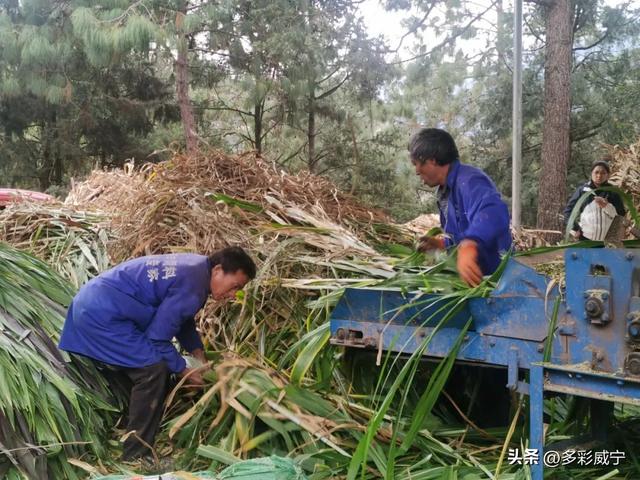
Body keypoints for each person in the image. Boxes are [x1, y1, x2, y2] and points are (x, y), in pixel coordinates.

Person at [59, 246, 256, 461]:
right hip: (104, 315)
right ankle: (137, 454)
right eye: (234, 286)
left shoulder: (196, 269)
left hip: (94, 303)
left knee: (148, 363)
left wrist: (198, 354)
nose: (231, 295)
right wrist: (183, 370)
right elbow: (157, 338)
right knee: (153, 370)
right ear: (218, 270)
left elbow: (181, 319)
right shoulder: (194, 283)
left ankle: (127, 421)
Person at [410, 128, 512, 286]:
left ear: (431, 160)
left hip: (498, 279)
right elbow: (463, 233)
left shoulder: (469, 180)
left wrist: (469, 244)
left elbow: (493, 212)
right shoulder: (446, 192)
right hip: (477, 280)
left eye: (416, 164)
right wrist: (443, 244)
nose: (416, 171)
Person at [563, 158, 626, 240]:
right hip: (585, 239)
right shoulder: (582, 190)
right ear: (591, 173)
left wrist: (607, 206)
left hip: (607, 241)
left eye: (603, 173)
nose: (599, 176)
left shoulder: (612, 191)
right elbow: (568, 212)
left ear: (608, 175)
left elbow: (621, 214)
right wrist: (575, 228)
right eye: (596, 172)